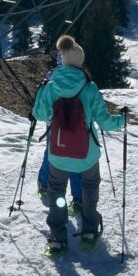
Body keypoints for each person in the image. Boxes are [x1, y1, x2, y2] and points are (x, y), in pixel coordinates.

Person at [32, 34, 125, 256]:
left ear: (63, 60)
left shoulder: (51, 86)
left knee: (56, 191)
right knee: (90, 187)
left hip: (58, 152)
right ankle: (90, 230)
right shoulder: (89, 88)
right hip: (86, 154)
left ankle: (57, 237)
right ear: (80, 63)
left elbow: (39, 113)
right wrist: (122, 119)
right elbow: (105, 122)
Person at [37, 53, 83, 214]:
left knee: (51, 154)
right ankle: (78, 199)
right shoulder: (81, 78)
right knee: (76, 158)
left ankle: (44, 185)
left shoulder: (50, 80)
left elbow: (41, 110)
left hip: (54, 126)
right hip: (77, 128)